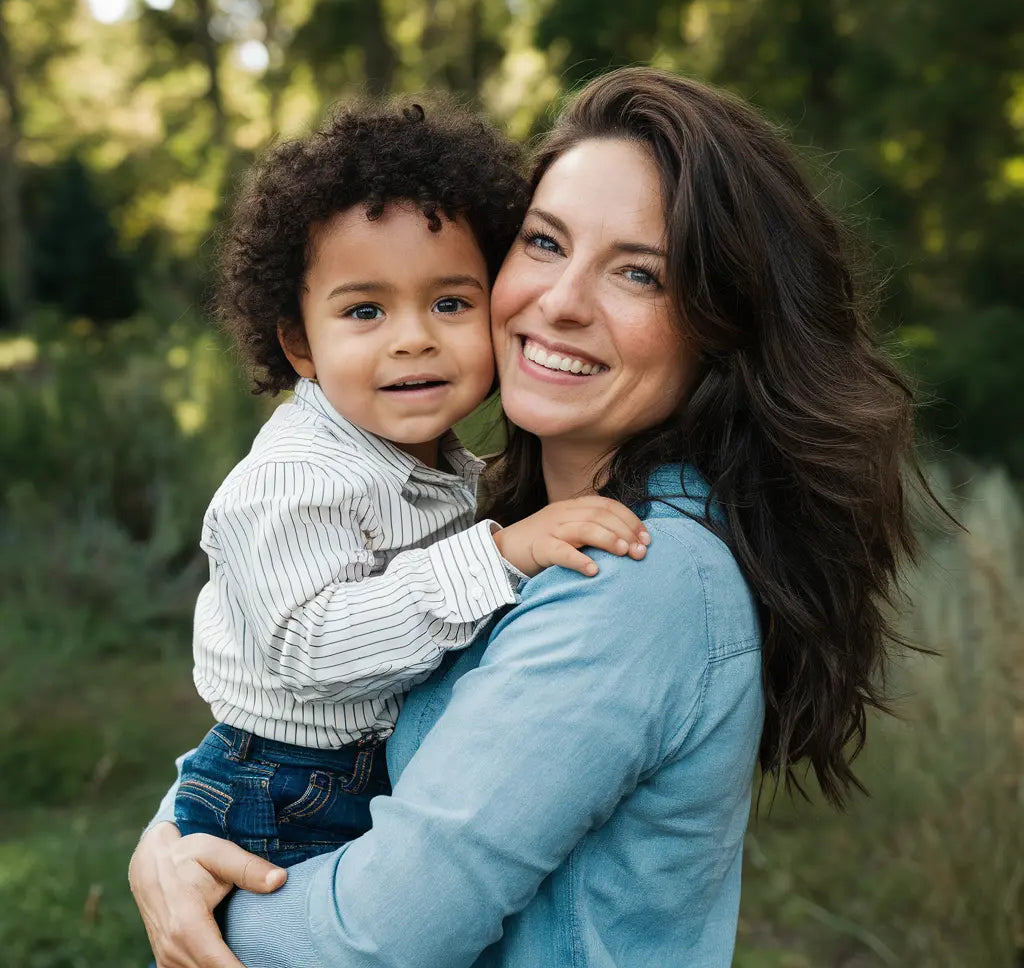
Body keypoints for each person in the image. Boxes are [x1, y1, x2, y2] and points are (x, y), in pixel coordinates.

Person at [131, 67, 926, 967]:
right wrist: (175, 830)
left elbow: (374, 941)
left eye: (638, 273)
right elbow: (300, 705)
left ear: (720, 325)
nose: (560, 302)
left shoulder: (634, 576)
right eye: (545, 244)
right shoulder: (508, 517)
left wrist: (193, 890)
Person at [171, 98, 651, 871]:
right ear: (298, 342)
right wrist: (499, 556)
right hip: (284, 787)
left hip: (357, 773)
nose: (414, 337)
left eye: (450, 302)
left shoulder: (440, 465)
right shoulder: (295, 479)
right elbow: (312, 649)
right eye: (365, 309)